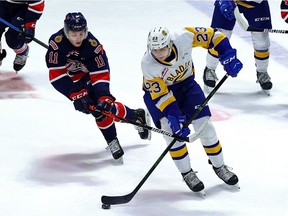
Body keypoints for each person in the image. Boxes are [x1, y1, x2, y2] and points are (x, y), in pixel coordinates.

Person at [141, 26, 242, 193]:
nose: (158, 53)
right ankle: (187, 172)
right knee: (172, 132)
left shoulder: (184, 37)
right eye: (155, 49)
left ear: (170, 43)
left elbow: (214, 36)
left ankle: (219, 166)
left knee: (206, 127)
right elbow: (161, 96)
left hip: (187, 86)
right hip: (159, 95)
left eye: (162, 49)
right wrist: (173, 116)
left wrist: (228, 55)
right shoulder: (148, 64)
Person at [45, 12, 151, 162]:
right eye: (74, 34)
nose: (79, 38)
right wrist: (75, 93)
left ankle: (112, 140)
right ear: (66, 32)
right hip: (74, 80)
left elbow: (99, 73)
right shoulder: (57, 44)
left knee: (100, 107)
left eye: (81, 33)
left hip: (91, 76)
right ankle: (135, 116)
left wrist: (103, 95)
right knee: (95, 107)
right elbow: (56, 76)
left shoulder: (92, 45)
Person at [203, 0, 272, 95]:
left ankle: (262, 72)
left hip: (256, 2)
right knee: (221, 36)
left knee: (262, 40)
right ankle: (210, 69)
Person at [0, 0, 45, 72]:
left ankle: (22, 51)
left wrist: (30, 25)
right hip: (3, 4)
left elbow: (37, 4)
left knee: (13, 38)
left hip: (22, 8)